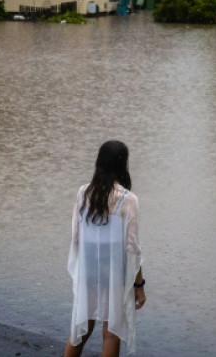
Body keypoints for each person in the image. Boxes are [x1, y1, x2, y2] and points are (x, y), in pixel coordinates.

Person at [65, 140, 146, 357]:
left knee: (82, 327)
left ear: (99, 163)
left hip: (89, 269)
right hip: (114, 271)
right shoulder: (128, 200)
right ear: (123, 165)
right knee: (111, 332)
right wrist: (139, 284)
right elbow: (132, 249)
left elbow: (76, 237)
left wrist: (82, 269)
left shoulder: (84, 193)